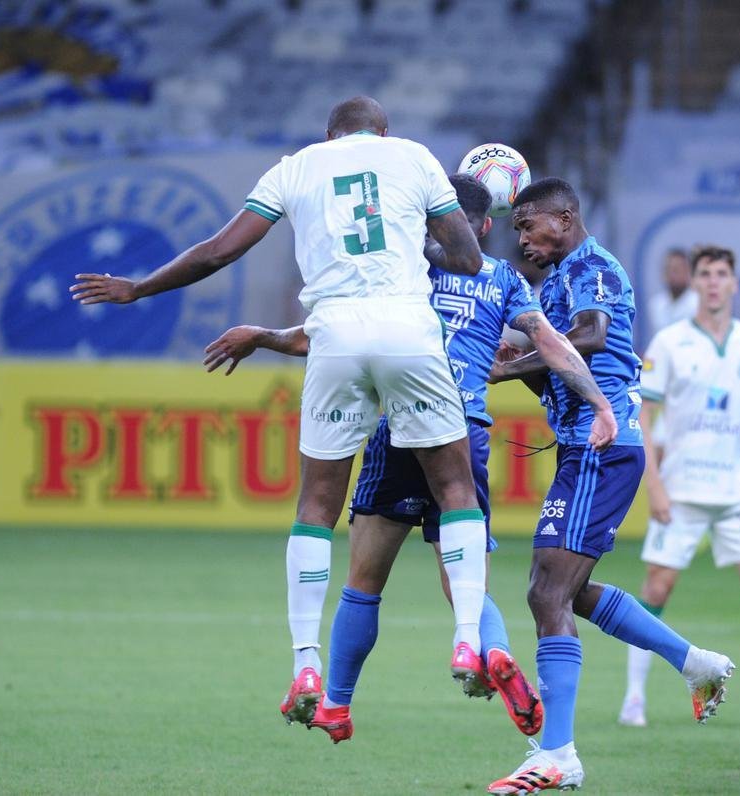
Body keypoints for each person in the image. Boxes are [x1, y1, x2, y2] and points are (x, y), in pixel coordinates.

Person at [70, 96, 491, 729]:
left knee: (318, 506)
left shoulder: (295, 168)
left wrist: (138, 288)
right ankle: (467, 639)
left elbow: (218, 250)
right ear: (384, 131)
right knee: (455, 487)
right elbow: (467, 258)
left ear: (328, 135)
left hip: (334, 336)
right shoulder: (415, 158)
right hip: (409, 330)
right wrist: (408, 245)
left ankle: (304, 662)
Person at [202, 173, 617, 743]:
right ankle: (486, 646)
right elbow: (552, 343)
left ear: (429, 222)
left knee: (364, 581)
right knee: (463, 579)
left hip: (401, 426)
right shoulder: (503, 280)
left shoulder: (406, 274)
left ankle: (337, 704)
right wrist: (598, 402)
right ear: (487, 227)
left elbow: (325, 336)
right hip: (462, 430)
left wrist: (261, 336)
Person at [485, 178, 734, 794]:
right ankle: (695, 662)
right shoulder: (558, 279)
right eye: (515, 229)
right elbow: (558, 370)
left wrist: (512, 364)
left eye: (528, 225)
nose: (523, 238)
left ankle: (559, 753)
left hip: (605, 443)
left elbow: (591, 338)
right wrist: (512, 363)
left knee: (548, 595)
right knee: (567, 589)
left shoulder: (593, 267)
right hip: (584, 448)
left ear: (565, 219)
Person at [616, 244, 740, 731]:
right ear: (697, 283)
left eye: (721, 273)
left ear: (734, 283)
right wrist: (654, 487)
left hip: (739, 489)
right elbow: (645, 415)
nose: (712, 282)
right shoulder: (669, 342)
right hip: (682, 489)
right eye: (705, 273)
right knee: (656, 588)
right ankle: (634, 698)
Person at [647, 247, 698, 333]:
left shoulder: (698, 303)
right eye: (668, 269)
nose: (672, 274)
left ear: (688, 272)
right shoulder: (656, 304)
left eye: (676, 270)